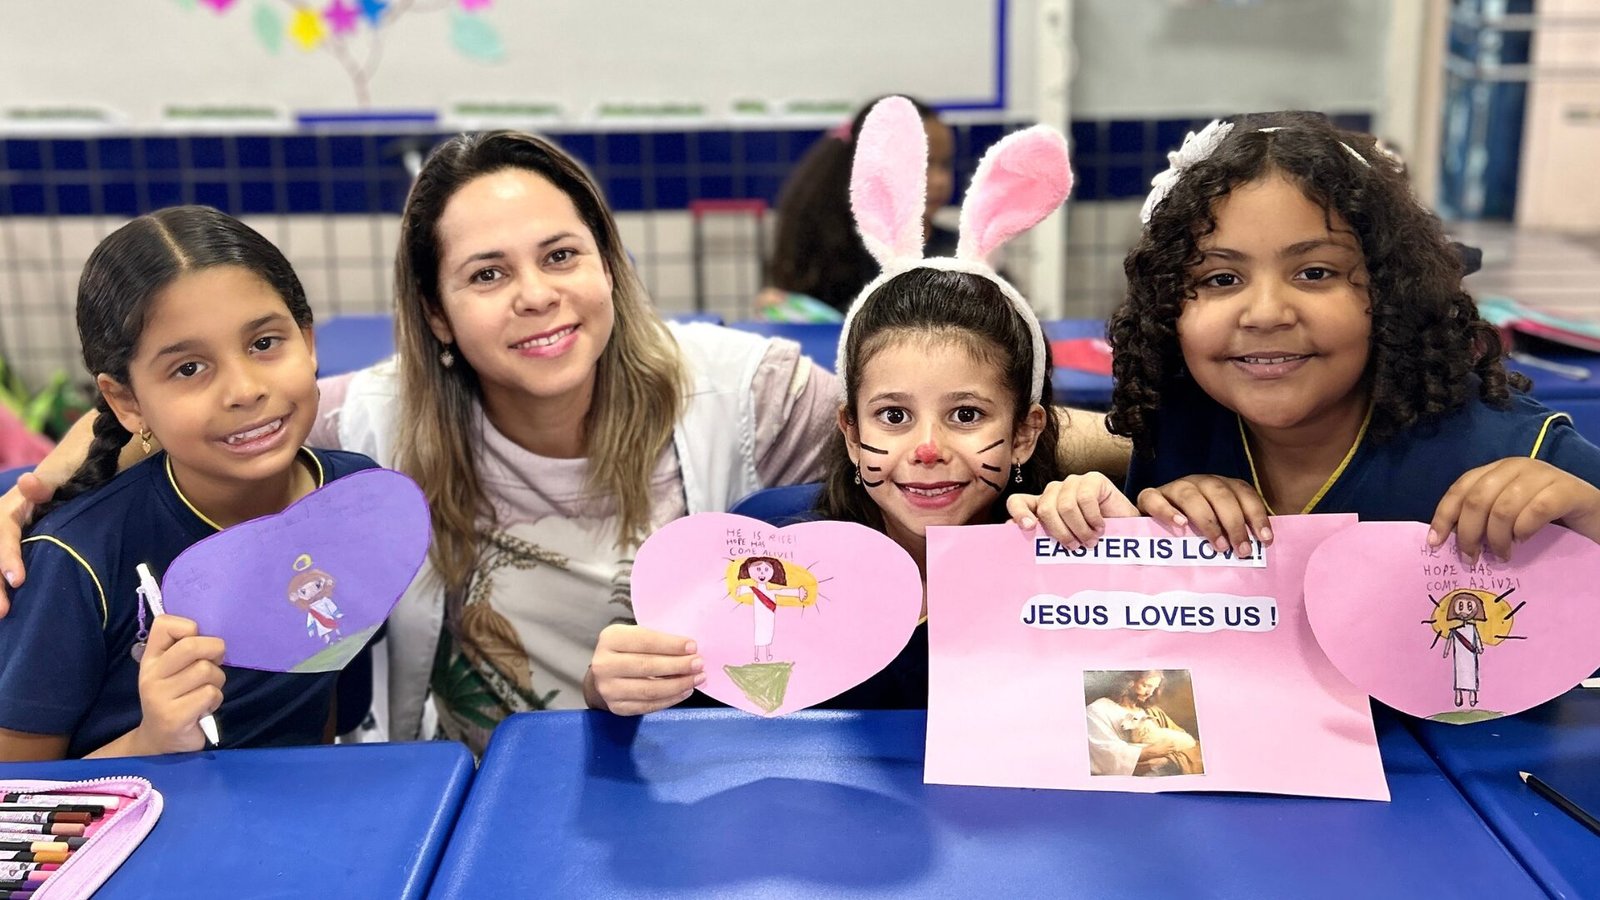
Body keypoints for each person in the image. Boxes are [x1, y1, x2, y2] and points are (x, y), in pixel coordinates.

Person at [0, 131, 1129, 752]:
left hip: (669, 775)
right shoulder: (374, 421)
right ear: (439, 313)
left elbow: (938, 417)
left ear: (606, 265)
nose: (537, 296)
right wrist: (36, 486)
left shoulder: (740, 391)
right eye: (488, 274)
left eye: (560, 256)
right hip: (465, 794)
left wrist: (1156, 474)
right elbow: (220, 416)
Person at [599, 98, 1139, 713]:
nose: (927, 449)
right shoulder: (774, 550)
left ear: (1024, 433)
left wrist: (1126, 563)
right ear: (851, 433)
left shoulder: (1066, 553)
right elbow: (694, 714)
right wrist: (621, 688)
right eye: (894, 416)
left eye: (966, 415)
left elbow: (1136, 715)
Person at [1106, 111, 1600, 562]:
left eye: (1315, 273)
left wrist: (1590, 514)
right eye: (1221, 279)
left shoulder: (1512, 449)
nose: (1266, 314)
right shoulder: (1176, 430)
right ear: (1165, 307)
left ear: (1391, 291)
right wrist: (1136, 527)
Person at [0, 206, 377, 760]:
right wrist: (151, 740)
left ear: (308, 341)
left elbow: (323, 707)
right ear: (126, 401)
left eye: (264, 343)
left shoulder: (358, 498)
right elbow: (15, 789)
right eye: (189, 369)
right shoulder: (74, 562)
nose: (244, 390)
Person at [757, 96, 956, 321]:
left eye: (945, 164)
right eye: (923, 164)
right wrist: (787, 310)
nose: (940, 180)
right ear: (874, 168)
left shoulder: (957, 252)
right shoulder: (832, 250)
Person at [1084, 670, 1201, 776]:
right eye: (1145, 686)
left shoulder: (1153, 712)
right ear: (1128, 682)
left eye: (1154, 688)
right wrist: (1150, 752)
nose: (1149, 693)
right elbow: (1105, 752)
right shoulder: (1098, 710)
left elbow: (1193, 746)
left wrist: (1168, 761)